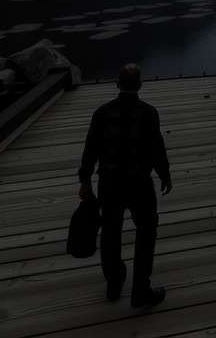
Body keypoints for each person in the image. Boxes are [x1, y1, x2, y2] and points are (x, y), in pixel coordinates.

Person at [78, 63, 172, 307]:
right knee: (146, 232)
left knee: (110, 232)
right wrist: (165, 174)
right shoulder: (149, 113)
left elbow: (91, 148)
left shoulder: (102, 113)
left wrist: (85, 179)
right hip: (139, 181)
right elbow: (156, 147)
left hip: (109, 183)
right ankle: (141, 290)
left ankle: (114, 282)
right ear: (140, 85)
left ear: (117, 85)